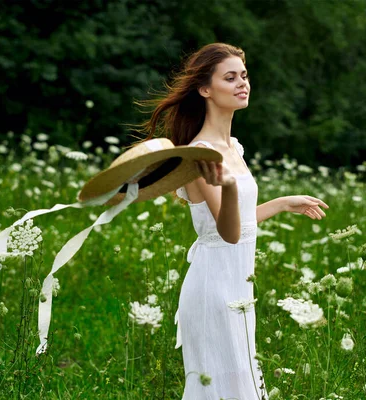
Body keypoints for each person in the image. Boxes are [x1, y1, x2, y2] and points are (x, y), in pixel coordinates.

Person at [133, 43, 329, 400]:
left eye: (244, 75)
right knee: (224, 388)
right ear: (205, 89)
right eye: (230, 77)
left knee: (244, 385)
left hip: (239, 288)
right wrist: (228, 188)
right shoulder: (199, 154)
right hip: (213, 289)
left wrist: (284, 203)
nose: (243, 83)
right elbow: (228, 232)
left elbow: (235, 222)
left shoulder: (232, 147)